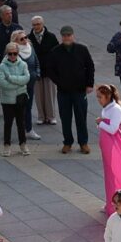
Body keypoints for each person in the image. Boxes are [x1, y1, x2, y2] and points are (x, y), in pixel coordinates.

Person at [46, 25, 95, 153]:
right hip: (63, 91)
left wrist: (89, 84)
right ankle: (67, 142)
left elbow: (90, 66)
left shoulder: (82, 49)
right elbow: (50, 70)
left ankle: (83, 142)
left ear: (73, 36)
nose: (66, 37)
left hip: (79, 91)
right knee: (65, 118)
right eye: (64, 35)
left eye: (69, 35)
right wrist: (59, 82)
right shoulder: (55, 51)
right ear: (61, 37)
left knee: (81, 117)